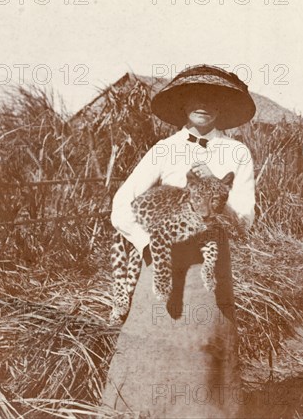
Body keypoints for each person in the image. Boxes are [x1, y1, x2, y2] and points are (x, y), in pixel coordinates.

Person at [102, 64, 256, 418]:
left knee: (203, 352)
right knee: (152, 347)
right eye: (195, 96)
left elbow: (245, 221)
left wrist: (217, 189)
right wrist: (146, 245)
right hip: (161, 263)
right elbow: (121, 205)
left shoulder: (237, 154)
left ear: (224, 107)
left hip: (209, 268)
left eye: (213, 97)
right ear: (183, 103)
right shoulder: (164, 149)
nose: (203, 103)